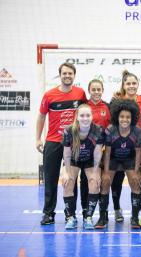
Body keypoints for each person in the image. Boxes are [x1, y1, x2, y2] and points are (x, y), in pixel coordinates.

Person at [36, 62, 87, 225]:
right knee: (50, 179)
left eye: (70, 73)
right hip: (52, 142)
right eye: (64, 73)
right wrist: (38, 138)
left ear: (74, 75)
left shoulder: (80, 94)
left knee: (71, 179)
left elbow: (86, 113)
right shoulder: (49, 95)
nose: (67, 76)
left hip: (73, 143)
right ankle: (48, 214)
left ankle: (70, 214)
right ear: (60, 75)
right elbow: (41, 116)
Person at [95, 99, 141, 229]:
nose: (125, 119)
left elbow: (138, 153)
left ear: (132, 117)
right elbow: (107, 152)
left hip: (129, 159)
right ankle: (102, 217)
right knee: (105, 182)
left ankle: (134, 218)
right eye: (122, 116)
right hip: (113, 158)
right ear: (117, 116)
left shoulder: (137, 131)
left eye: (128, 117)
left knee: (135, 181)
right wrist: (105, 172)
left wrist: (137, 170)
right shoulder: (110, 130)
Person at [110, 70, 141, 223]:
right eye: (128, 83)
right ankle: (117, 209)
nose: (131, 86)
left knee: (137, 180)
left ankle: (138, 214)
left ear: (138, 85)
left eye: (134, 83)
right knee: (116, 180)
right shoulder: (116, 100)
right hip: (119, 145)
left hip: (137, 145)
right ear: (123, 85)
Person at [61, 104, 103, 230]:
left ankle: (88, 217)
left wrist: (96, 172)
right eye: (82, 115)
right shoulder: (69, 130)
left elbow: (97, 153)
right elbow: (67, 154)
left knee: (94, 182)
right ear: (77, 117)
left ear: (92, 116)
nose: (85, 118)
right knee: (68, 182)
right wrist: (66, 172)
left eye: (88, 115)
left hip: (90, 160)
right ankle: (71, 217)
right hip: (73, 160)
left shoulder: (98, 130)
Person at [79, 79, 111, 222]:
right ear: (89, 90)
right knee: (85, 180)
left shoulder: (108, 106)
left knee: (102, 180)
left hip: (103, 150)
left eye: (99, 89)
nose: (96, 92)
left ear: (102, 90)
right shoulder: (84, 107)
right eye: (94, 89)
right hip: (86, 149)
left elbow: (111, 128)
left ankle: (103, 214)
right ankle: (86, 211)